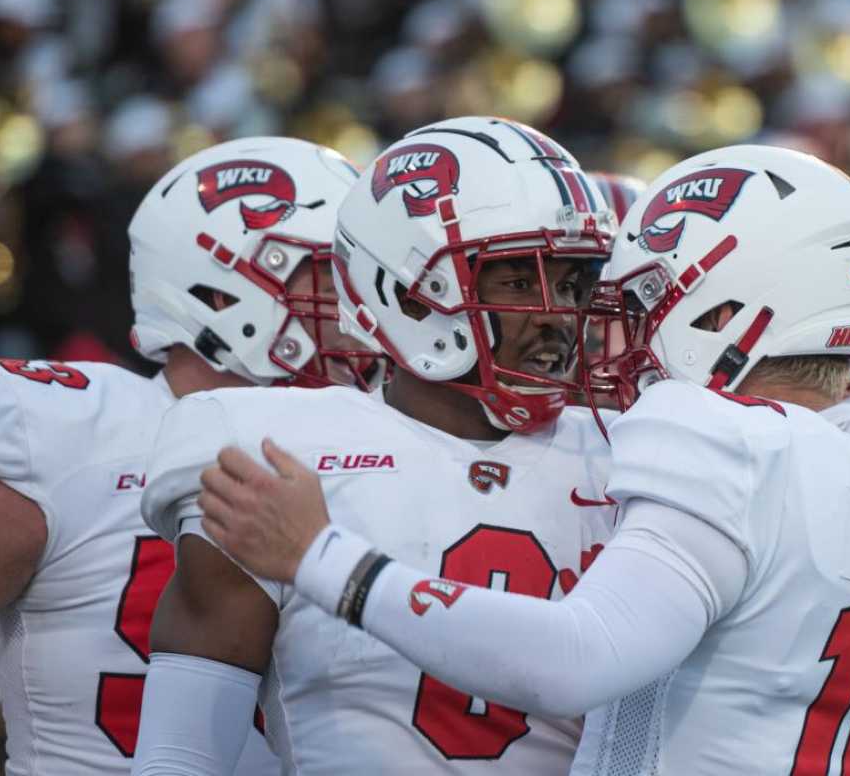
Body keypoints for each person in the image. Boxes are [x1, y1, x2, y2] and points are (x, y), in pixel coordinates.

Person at [195, 144, 850, 774]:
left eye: (649, 298)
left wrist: (324, 559)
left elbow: (576, 658)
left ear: (729, 310)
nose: (619, 332)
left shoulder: (723, 440)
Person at [134, 118, 620, 774]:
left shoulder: (631, 455)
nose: (554, 314)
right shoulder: (275, 452)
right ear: (408, 292)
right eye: (517, 281)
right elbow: (183, 754)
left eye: (569, 285)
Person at [0, 135, 373, 775]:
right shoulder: (56, 430)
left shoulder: (384, 437)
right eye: (331, 279)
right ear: (220, 294)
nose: (363, 310)